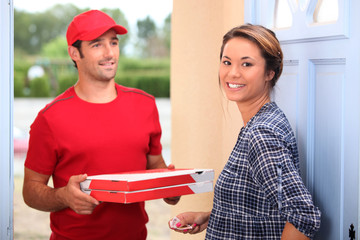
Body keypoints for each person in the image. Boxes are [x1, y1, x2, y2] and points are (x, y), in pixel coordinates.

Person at [22, 10, 179, 240]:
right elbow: (30, 191)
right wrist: (64, 196)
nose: (109, 53)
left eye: (113, 43)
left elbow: (155, 165)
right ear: (74, 53)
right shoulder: (50, 118)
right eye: (97, 45)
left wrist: (169, 186)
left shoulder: (145, 104)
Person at [169, 24, 321, 239]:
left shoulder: (261, 135)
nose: (233, 73)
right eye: (227, 62)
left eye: (246, 64)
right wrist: (213, 217)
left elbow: (302, 215)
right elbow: (261, 207)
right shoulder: (261, 121)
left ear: (271, 72)